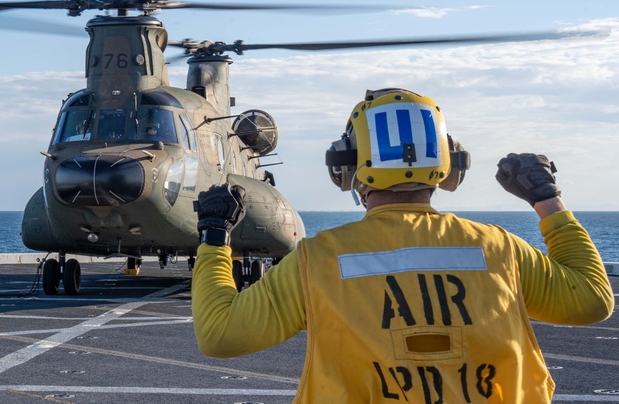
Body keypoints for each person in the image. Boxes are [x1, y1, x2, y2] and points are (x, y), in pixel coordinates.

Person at [192, 88, 614, 404]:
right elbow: (593, 301)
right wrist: (546, 199)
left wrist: (215, 235)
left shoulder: (318, 260)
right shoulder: (499, 249)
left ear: (345, 166)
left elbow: (221, 336)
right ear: (448, 163)